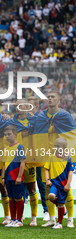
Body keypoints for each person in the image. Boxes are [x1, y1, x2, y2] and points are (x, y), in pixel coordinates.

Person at [30, 91, 75, 227]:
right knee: (47, 187)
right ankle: (51, 219)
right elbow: (35, 133)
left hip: (61, 157)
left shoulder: (64, 116)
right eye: (48, 97)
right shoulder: (41, 116)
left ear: (58, 100)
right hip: (46, 155)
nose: (50, 99)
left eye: (52, 97)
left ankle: (70, 219)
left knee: (66, 189)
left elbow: (72, 134)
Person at [8, 100, 38, 226]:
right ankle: (16, 218)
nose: (18, 108)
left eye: (21, 105)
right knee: (15, 190)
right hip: (15, 161)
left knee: (32, 189)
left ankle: (34, 218)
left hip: (30, 160)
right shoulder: (10, 121)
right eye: (16, 106)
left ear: (27, 107)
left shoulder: (34, 121)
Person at [44, 138, 74, 229]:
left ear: (64, 147)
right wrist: (47, 180)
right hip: (54, 184)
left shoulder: (68, 158)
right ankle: (61, 208)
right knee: (51, 196)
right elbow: (46, 169)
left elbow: (70, 172)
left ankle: (59, 223)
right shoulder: (51, 157)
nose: (56, 148)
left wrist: (68, 184)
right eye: (55, 146)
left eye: (58, 146)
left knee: (61, 203)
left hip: (64, 185)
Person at [27, 96, 48, 221]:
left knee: (42, 184)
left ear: (36, 107)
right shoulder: (20, 119)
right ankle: (23, 214)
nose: (27, 108)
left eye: (30, 106)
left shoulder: (41, 119)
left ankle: (47, 210)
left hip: (39, 155)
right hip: (26, 156)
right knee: (26, 185)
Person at [2, 125, 26, 228]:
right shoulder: (6, 148)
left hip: (16, 177)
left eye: (9, 134)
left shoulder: (20, 147)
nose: (7, 136)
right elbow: (4, 164)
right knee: (10, 198)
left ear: (15, 135)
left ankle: (19, 220)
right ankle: (12, 219)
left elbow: (22, 162)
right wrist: (3, 177)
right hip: (8, 177)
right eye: (6, 135)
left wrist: (19, 176)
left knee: (17, 198)